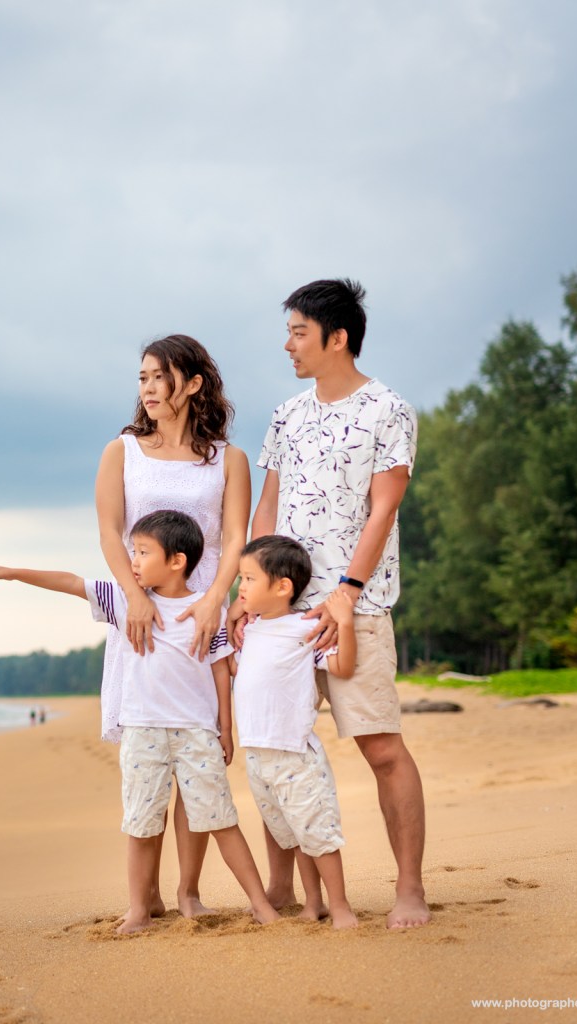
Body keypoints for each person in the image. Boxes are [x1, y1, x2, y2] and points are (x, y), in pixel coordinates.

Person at [0, 510, 279, 934]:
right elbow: (70, 582)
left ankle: (258, 904)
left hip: (198, 732)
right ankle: (138, 908)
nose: (132, 561)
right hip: (142, 730)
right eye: (132, 551)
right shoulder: (124, 600)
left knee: (220, 818)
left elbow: (221, 672)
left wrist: (226, 729)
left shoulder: (208, 607)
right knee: (141, 821)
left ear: (177, 560)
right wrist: (13, 573)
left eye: (141, 552)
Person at [236, 278, 430, 929]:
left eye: (298, 331)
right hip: (280, 615)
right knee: (274, 746)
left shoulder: (389, 410)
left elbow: (385, 505)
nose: (287, 343)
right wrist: (246, 591)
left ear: (336, 337)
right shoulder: (287, 415)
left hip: (358, 608)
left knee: (380, 748)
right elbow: (269, 505)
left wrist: (347, 594)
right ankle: (286, 887)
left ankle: (409, 888)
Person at [94, 334, 250, 920]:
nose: (149, 389)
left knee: (198, 755)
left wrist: (216, 598)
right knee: (150, 761)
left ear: (193, 384)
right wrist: (134, 596)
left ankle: (189, 890)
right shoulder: (122, 451)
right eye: (142, 379)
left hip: (201, 619)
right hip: (142, 619)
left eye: (160, 377)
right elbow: (111, 532)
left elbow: (234, 539)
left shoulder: (228, 460)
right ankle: (146, 897)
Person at [232, 535, 358, 929]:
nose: (242, 588)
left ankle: (340, 907)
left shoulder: (302, 627)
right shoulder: (249, 631)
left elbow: (340, 668)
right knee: (293, 834)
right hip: (257, 753)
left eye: (249, 579)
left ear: (282, 586)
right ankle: (313, 903)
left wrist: (346, 622)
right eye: (241, 578)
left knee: (317, 831)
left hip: (293, 752)